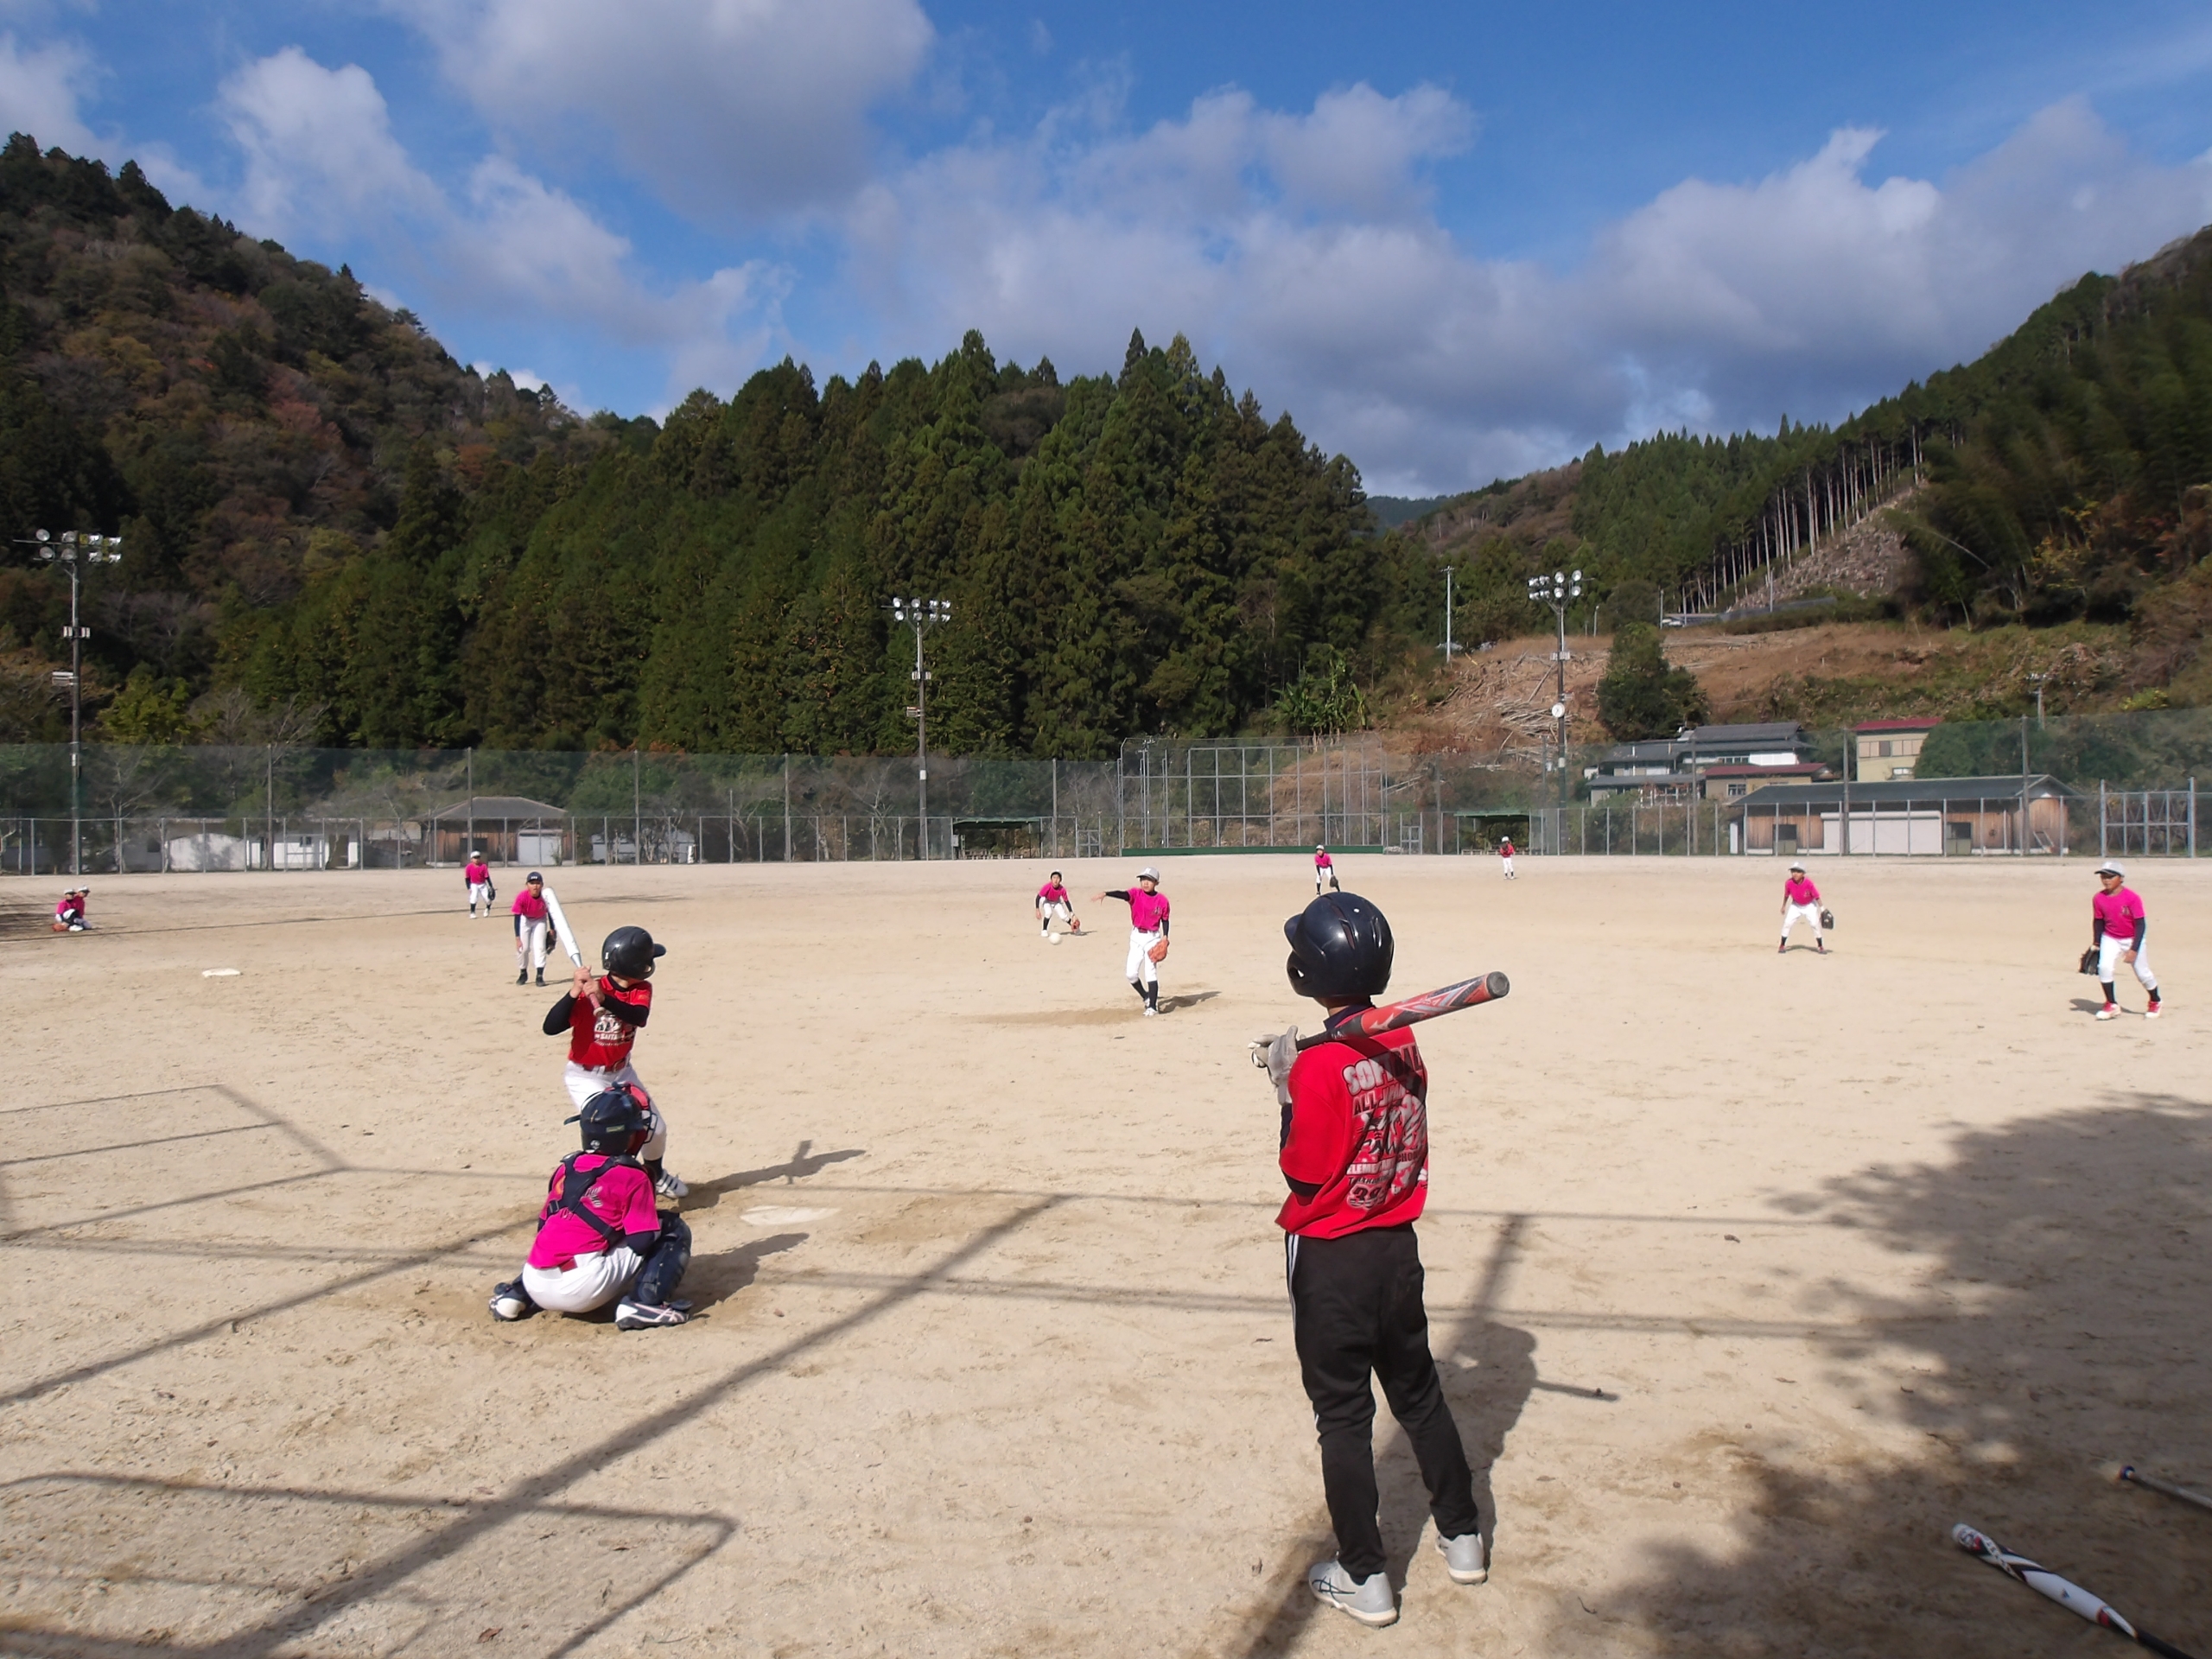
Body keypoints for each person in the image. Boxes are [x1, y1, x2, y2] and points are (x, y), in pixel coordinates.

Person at [1252, 893, 1484, 1630]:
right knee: (1418, 1395)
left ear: (1306, 971)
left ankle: (1364, 1576)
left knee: (1343, 1417)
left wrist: (1288, 1090)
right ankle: (1463, 1535)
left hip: (1332, 1259)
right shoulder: (1404, 1043)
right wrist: (1302, 1072)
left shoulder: (1322, 1066)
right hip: (1395, 1250)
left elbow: (1304, 1173)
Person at [488, 1084, 691, 1330]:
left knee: (563, 1230)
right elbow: (641, 1241)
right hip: (583, 1289)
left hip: (535, 1280)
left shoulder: (566, 1167)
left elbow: (544, 1226)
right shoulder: (632, 1176)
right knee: (672, 1227)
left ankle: (515, 1295)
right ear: (626, 1135)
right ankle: (644, 1303)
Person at [543, 925, 689, 1199]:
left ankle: (655, 1175)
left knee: (656, 1128)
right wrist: (575, 992)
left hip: (622, 1073)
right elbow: (550, 1027)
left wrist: (605, 998)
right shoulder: (589, 992)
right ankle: (603, 1194)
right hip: (585, 1077)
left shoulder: (640, 989)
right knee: (612, 1137)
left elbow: (638, 1017)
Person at [1094, 867, 1170, 1017]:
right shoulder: (1136, 894)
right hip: (1136, 937)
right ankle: (1146, 996)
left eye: (1149, 880)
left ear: (1156, 882)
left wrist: (1165, 936)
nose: (1145, 883)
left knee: (1150, 972)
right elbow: (1123, 895)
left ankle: (1153, 1007)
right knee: (1131, 974)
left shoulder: (1162, 900)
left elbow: (1165, 920)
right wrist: (1107, 894)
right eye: (1143, 879)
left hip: (1152, 937)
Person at [2091, 860, 2161, 1020]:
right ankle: (2112, 1004)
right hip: (2110, 937)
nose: (2106, 880)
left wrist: (2134, 949)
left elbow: (2140, 924)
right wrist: (2096, 944)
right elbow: (2098, 921)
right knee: (2104, 967)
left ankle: (2155, 1000)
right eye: (2103, 876)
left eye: (2110, 876)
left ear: (2121, 878)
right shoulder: (2098, 898)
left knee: (2143, 974)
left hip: (2132, 938)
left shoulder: (2132, 898)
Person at [512, 871, 551, 985]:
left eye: (538, 883)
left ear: (542, 885)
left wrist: (553, 930)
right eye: (532, 883)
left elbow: (551, 913)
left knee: (540, 947)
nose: (535, 886)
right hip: (525, 920)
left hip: (540, 920)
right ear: (527, 885)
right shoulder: (522, 897)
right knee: (523, 949)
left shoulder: (545, 897)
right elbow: (517, 918)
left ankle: (539, 976)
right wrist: (517, 938)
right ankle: (523, 972)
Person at [1779, 861, 1827, 954]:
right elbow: (1786, 895)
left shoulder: (1809, 883)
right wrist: (1783, 906)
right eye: (1793, 871)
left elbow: (1817, 897)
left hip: (1810, 905)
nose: (1795, 874)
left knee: (1815, 924)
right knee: (1787, 923)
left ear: (1803, 874)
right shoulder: (1789, 883)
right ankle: (1782, 945)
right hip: (1796, 905)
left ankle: (1820, 946)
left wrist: (1822, 909)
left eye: (1798, 871)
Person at [1035, 870, 1079, 938]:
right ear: (1051, 879)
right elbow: (1038, 898)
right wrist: (1037, 910)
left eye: (1058, 878)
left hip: (1056, 901)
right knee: (1048, 913)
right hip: (1046, 900)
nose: (1056, 880)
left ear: (1060, 880)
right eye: (1054, 878)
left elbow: (1066, 901)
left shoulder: (1062, 889)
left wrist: (1072, 914)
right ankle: (1044, 930)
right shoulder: (1047, 887)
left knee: (1063, 917)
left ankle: (1075, 927)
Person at [465, 851, 493, 918]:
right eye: (475, 858)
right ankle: (472, 912)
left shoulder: (483, 866)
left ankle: (487, 909)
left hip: (483, 884)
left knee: (488, 899)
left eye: (478, 857)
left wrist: (490, 885)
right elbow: (467, 878)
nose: (477, 859)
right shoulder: (469, 867)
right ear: (471, 859)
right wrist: (469, 887)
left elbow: (487, 877)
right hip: (474, 884)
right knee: (473, 898)